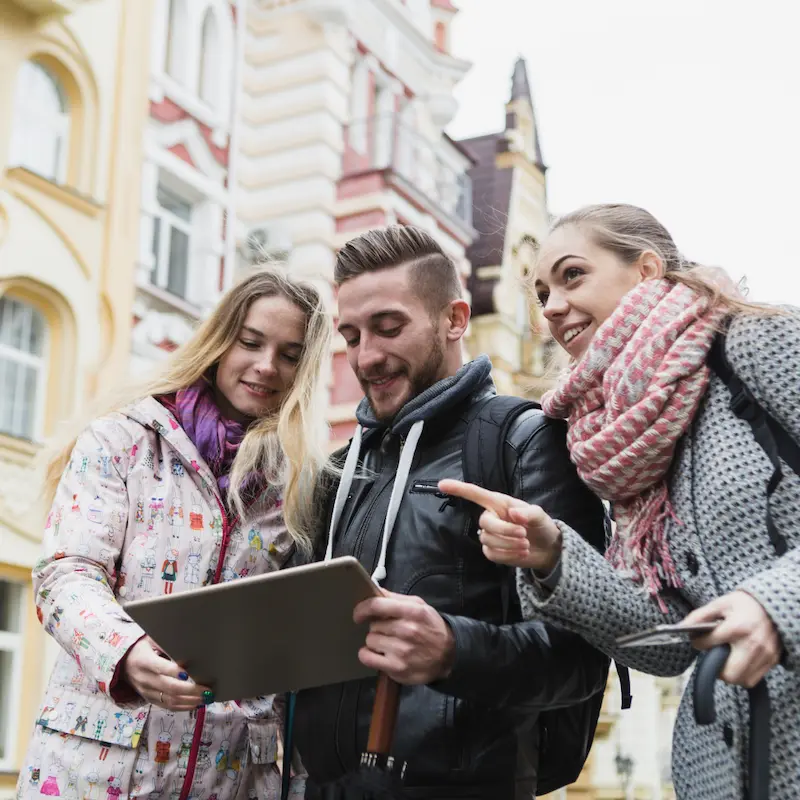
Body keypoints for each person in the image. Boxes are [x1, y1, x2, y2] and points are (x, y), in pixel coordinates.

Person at [442, 204, 800, 800]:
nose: (551, 305)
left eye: (572, 275)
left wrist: (775, 603)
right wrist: (554, 554)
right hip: (728, 766)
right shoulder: (611, 443)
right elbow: (667, 644)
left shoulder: (757, 340)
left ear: (646, 270)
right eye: (541, 291)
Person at [291, 225, 610, 799]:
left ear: (455, 319)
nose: (367, 356)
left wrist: (453, 651)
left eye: (389, 328)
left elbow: (581, 661)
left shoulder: (526, 441)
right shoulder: (338, 472)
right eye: (351, 335)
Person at [17, 268, 332, 800]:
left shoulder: (300, 485)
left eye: (290, 354)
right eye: (250, 341)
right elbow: (65, 574)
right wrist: (126, 651)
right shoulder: (122, 439)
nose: (265, 366)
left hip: (233, 777)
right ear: (218, 340)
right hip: (95, 773)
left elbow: (295, 652)